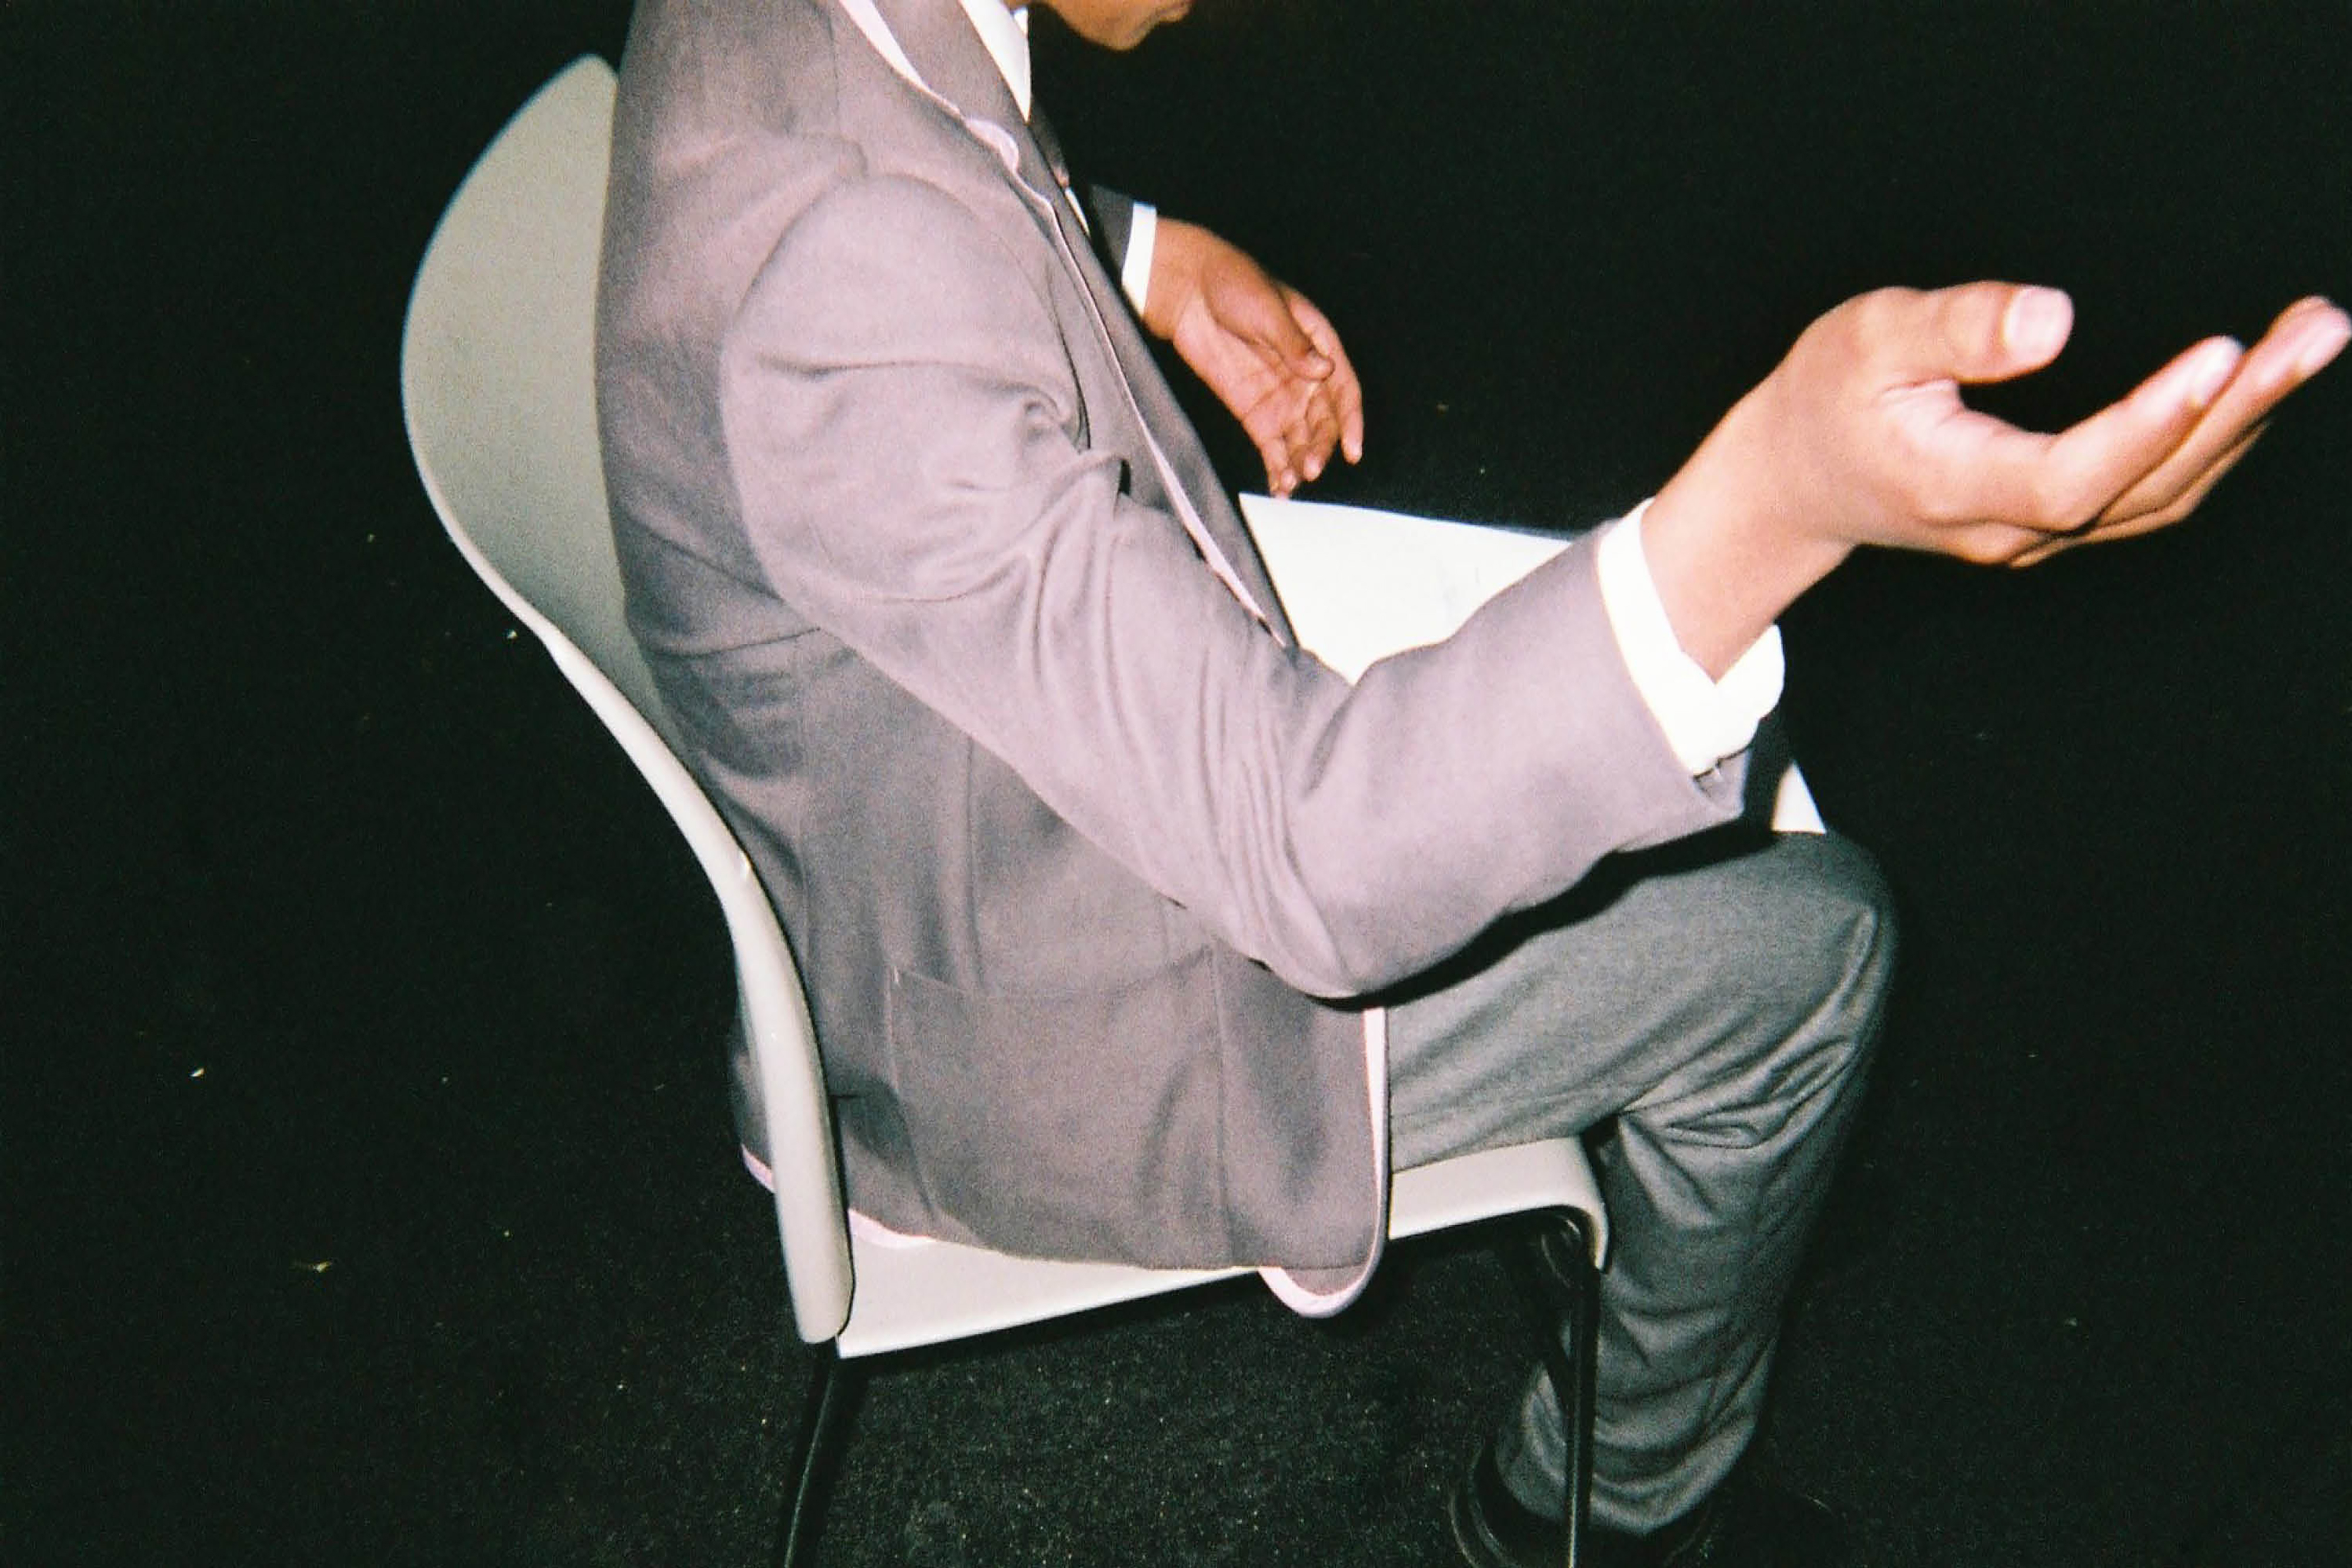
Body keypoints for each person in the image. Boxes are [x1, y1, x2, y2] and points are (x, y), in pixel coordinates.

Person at [593, 1, 2348, 1562]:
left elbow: (911, 184)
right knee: (1816, 950)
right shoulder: (842, 274)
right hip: (1039, 1034)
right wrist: (1782, 502)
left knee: (1601, 730)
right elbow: (1310, 854)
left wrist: (1131, 252)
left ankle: (1688, 1162)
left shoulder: (768, 54)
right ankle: (1601, 1496)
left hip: (923, 847)